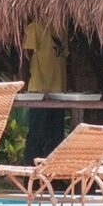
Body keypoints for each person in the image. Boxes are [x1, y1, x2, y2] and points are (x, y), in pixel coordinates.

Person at [20, 21, 67, 164]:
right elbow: (25, 57)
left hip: (58, 91)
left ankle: (51, 176)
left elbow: (63, 58)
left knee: (56, 136)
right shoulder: (35, 27)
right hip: (38, 90)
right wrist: (24, 83)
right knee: (37, 135)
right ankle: (30, 175)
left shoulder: (61, 29)